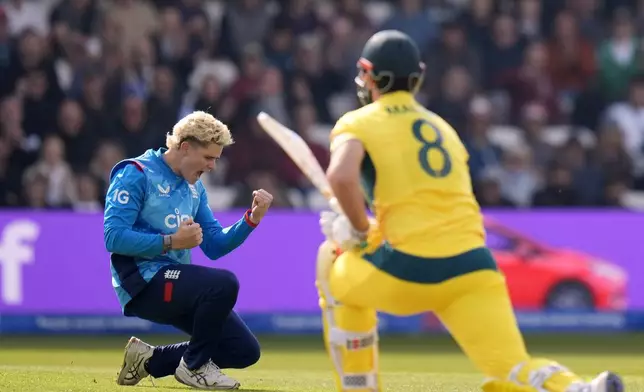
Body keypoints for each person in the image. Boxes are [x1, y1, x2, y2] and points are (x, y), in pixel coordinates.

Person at [315, 30, 623, 392]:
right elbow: (430, 206)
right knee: (510, 367)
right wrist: (368, 229)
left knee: (331, 259)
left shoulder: (359, 121)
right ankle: (578, 388)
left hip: (411, 267)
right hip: (474, 266)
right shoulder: (443, 128)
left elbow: (341, 176)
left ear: (369, 74)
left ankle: (358, 385)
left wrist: (357, 231)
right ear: (419, 75)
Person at [103, 111, 273, 390]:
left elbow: (215, 245)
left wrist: (250, 220)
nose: (213, 166)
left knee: (243, 349)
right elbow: (113, 237)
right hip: (141, 282)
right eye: (208, 157)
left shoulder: (195, 189)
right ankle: (193, 367)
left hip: (176, 281)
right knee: (223, 283)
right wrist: (170, 242)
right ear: (185, 147)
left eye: (216, 159)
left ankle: (148, 360)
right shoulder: (136, 173)